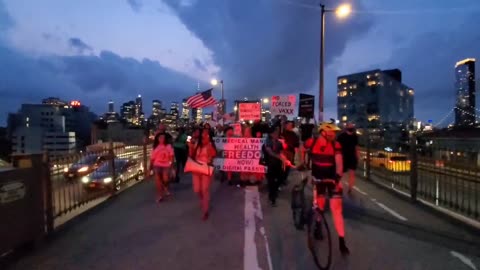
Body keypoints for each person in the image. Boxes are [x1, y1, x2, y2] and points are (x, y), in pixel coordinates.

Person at [303, 122, 349, 255]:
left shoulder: (336, 145)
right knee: (320, 206)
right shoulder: (311, 142)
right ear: (323, 132)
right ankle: (318, 226)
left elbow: (339, 163)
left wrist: (337, 178)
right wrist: (304, 164)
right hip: (318, 179)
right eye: (331, 133)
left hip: (332, 179)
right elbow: (303, 149)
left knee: (337, 210)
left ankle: (342, 241)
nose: (333, 135)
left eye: (334, 133)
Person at [189, 128, 217, 220]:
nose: (204, 136)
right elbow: (191, 155)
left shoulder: (210, 145)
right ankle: (202, 200)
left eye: (206, 134)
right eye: (203, 134)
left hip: (206, 169)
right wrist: (190, 146)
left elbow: (213, 155)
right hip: (196, 169)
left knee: (205, 189)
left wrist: (209, 149)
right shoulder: (196, 144)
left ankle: (205, 210)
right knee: (197, 190)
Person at [263, 127, 291, 207]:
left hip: (278, 164)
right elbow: (270, 152)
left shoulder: (279, 143)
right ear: (271, 134)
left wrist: (284, 159)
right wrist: (279, 157)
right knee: (271, 181)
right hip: (270, 164)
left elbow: (282, 152)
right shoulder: (267, 142)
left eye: (277, 133)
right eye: (275, 133)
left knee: (281, 178)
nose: (277, 134)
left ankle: (274, 191)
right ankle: (272, 198)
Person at [150, 133, 174, 202]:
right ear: (157, 139)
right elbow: (152, 158)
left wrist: (171, 166)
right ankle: (159, 195)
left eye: (163, 138)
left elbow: (171, 156)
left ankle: (165, 187)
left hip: (166, 165)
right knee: (158, 180)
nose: (161, 139)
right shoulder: (155, 147)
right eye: (160, 138)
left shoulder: (168, 146)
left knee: (165, 179)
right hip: (157, 165)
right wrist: (150, 168)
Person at [337, 123, 360, 194]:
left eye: (352, 127)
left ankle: (350, 188)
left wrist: (357, 156)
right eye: (350, 127)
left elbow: (356, 147)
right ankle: (338, 186)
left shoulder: (354, 136)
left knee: (351, 174)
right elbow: (337, 147)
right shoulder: (341, 136)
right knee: (341, 173)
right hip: (343, 157)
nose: (351, 128)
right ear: (346, 128)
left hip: (352, 157)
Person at [279, 121, 300, 187]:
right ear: (285, 126)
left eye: (290, 125)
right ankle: (281, 179)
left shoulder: (294, 134)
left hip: (290, 152)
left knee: (288, 166)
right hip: (283, 152)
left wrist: (295, 148)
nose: (289, 126)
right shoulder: (282, 134)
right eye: (288, 125)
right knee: (282, 166)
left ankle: (284, 179)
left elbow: (297, 143)